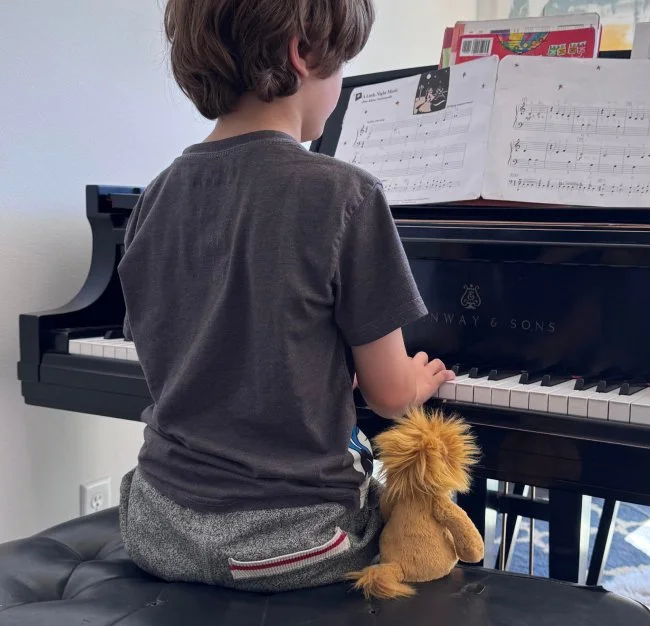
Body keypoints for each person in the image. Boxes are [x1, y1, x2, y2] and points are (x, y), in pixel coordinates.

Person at [117, 0, 455, 593]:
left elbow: (191, 355)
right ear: (303, 53)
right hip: (291, 544)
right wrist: (418, 381)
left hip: (156, 525)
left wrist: (315, 373)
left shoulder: (157, 194)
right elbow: (392, 395)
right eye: (343, 64)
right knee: (431, 525)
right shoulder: (344, 193)